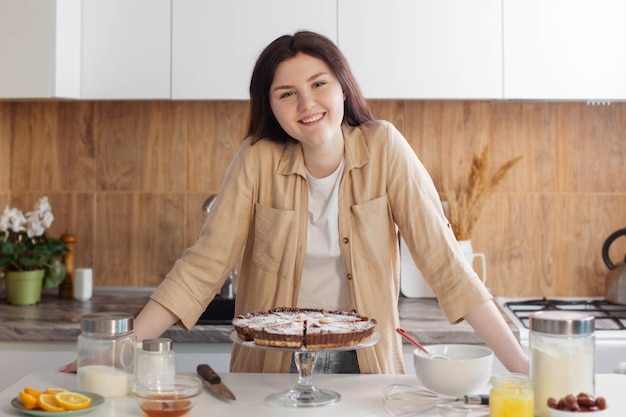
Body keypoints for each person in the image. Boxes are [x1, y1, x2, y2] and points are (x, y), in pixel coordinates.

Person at [62, 31, 528, 375]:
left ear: (343, 86)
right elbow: (203, 265)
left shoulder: (385, 147)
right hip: (269, 366)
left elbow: (446, 264)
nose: (307, 102)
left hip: (364, 366)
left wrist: (522, 366)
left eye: (319, 84)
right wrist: (114, 352)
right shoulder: (256, 160)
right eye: (287, 93)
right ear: (271, 106)